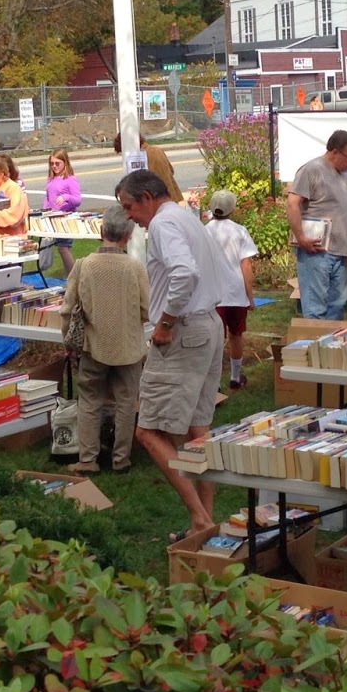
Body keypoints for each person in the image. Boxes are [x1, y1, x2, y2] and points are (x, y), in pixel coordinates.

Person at [116, 169, 231, 536]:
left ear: (148, 197)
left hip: (184, 330)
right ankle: (206, 522)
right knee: (199, 430)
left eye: (130, 206)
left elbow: (185, 273)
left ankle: (199, 518)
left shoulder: (165, 225)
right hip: (209, 324)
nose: (129, 216)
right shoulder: (186, 217)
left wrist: (165, 322)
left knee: (148, 432)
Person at [61, 206, 148, 474]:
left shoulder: (83, 265)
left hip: (93, 345)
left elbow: (67, 310)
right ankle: (121, 458)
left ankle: (88, 459)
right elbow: (146, 310)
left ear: (101, 231)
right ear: (129, 234)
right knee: (126, 402)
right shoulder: (135, 268)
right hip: (129, 347)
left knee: (89, 400)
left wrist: (69, 342)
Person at [287, 130, 347, 320]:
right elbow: (292, 203)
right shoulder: (312, 170)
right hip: (316, 252)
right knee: (315, 307)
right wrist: (301, 237)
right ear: (334, 152)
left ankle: (331, 346)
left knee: (338, 305)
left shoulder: (344, 174)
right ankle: (314, 345)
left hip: (339, 252)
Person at [203, 190, 258, 390]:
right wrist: (250, 297)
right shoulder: (240, 231)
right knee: (236, 335)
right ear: (232, 209)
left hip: (212, 295)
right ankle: (235, 377)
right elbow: (246, 265)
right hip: (236, 292)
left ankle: (214, 382)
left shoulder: (204, 231)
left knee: (215, 340)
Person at [42, 148, 82, 275]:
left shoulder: (70, 179)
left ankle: (73, 277)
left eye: (57, 163)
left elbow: (77, 200)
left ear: (65, 162)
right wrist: (45, 210)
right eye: (52, 163)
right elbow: (48, 198)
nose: (54, 166)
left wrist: (65, 197)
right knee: (60, 248)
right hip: (53, 219)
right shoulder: (51, 180)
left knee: (64, 248)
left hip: (66, 220)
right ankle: (70, 276)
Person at [113, 133, 184, 203]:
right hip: (171, 196)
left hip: (156, 201)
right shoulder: (157, 150)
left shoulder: (138, 157)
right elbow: (171, 170)